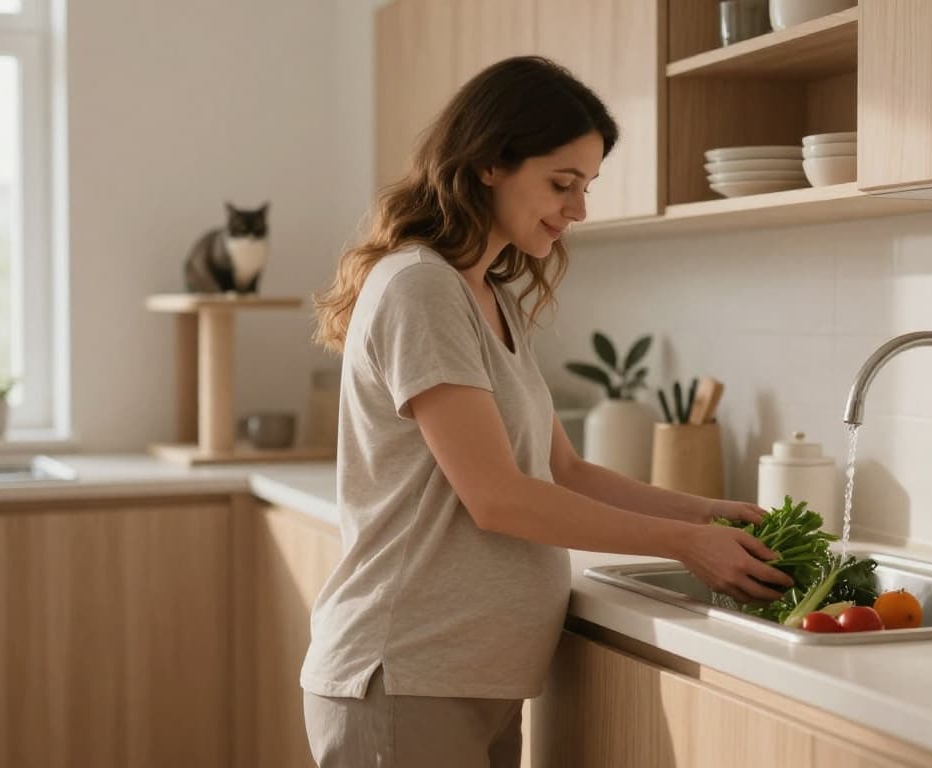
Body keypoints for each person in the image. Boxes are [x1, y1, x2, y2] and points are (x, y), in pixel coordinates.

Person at [303, 55, 792, 767]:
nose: (578, 208)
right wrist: (683, 545)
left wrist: (704, 515)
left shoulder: (490, 296)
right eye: (562, 183)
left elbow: (562, 469)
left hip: (471, 675)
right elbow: (498, 500)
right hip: (405, 673)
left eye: (585, 186)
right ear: (490, 164)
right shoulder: (420, 288)